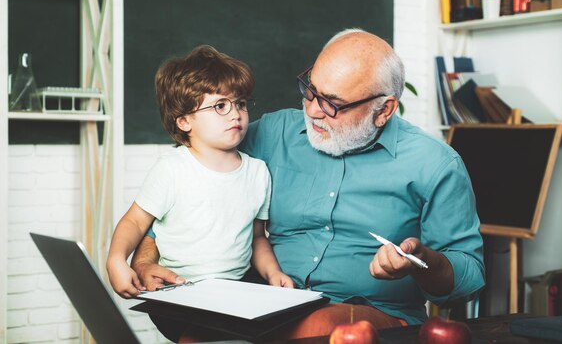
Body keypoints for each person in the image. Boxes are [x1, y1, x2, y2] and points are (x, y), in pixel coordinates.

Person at [131, 30, 485, 339]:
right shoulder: (273, 134)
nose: (314, 109)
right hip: (266, 299)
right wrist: (145, 262)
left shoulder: (435, 164)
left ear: (384, 109)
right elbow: (184, 186)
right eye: (311, 90)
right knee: (194, 331)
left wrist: (422, 262)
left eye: (333, 104)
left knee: (313, 328)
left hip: (369, 311)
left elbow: (467, 277)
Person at [106, 45, 293, 301]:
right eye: (219, 106)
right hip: (176, 291)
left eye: (240, 103)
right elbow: (135, 222)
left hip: (235, 292)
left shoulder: (258, 172)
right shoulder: (171, 169)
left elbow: (257, 238)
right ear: (184, 121)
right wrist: (116, 259)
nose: (235, 114)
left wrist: (273, 273)